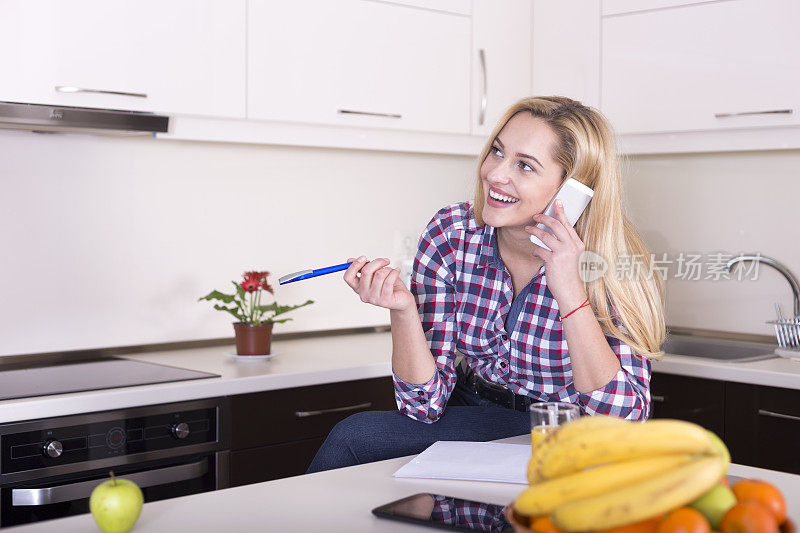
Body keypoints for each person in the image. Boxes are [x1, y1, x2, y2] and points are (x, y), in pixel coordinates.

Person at [306, 96, 666, 473]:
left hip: (562, 432)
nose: (495, 173)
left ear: (572, 190)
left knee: (354, 437)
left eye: (524, 165)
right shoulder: (452, 233)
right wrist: (404, 312)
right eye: (497, 151)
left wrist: (570, 289)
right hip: (471, 411)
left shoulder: (614, 263)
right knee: (359, 442)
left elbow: (623, 422)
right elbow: (422, 405)